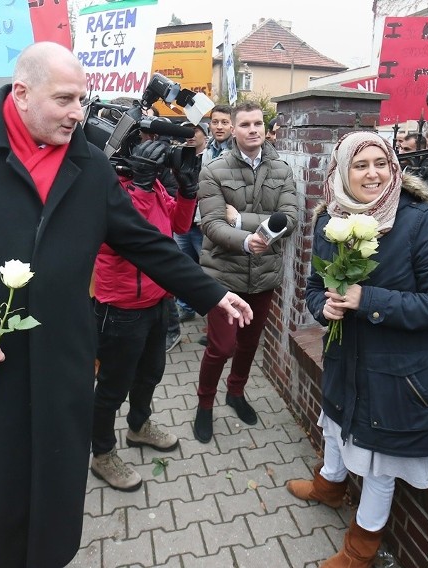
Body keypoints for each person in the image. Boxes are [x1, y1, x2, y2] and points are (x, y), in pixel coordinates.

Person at [0, 42, 252, 568]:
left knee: (48, 507)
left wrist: (211, 291)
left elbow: (141, 241)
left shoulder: (89, 165)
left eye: (83, 98)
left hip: (59, 365)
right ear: (22, 94)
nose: (79, 112)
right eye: (66, 99)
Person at [285, 131, 428, 567]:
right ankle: (329, 486)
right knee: (334, 425)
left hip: (394, 371)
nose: (372, 173)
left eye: (380, 163)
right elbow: (313, 288)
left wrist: (370, 301)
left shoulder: (418, 221)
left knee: (379, 462)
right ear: (344, 171)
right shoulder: (331, 218)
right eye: (360, 165)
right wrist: (324, 308)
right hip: (345, 358)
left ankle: (359, 549)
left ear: (394, 167)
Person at [90, 139, 198, 492]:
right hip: (121, 306)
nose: (148, 152)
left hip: (158, 300)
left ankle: (139, 427)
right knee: (112, 387)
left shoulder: (150, 186)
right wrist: (137, 186)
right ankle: (102, 454)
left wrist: (186, 189)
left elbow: (180, 227)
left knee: (150, 374)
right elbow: (125, 237)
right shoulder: (102, 188)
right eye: (138, 143)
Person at [193, 101, 298, 443]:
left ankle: (235, 393)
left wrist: (238, 220)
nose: (253, 129)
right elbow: (209, 223)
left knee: (250, 343)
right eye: (246, 124)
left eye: (258, 124)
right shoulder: (213, 170)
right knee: (222, 347)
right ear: (233, 130)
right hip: (223, 276)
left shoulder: (282, 170)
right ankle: (204, 404)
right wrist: (245, 240)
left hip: (264, 275)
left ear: (266, 129)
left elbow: (291, 219)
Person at [173, 121, 209, 323]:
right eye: (186, 131)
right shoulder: (177, 156)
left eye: (195, 130)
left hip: (202, 224)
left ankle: (213, 314)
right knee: (183, 267)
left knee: (207, 268)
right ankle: (185, 307)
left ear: (204, 133)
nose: (190, 135)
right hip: (182, 225)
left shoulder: (213, 158)